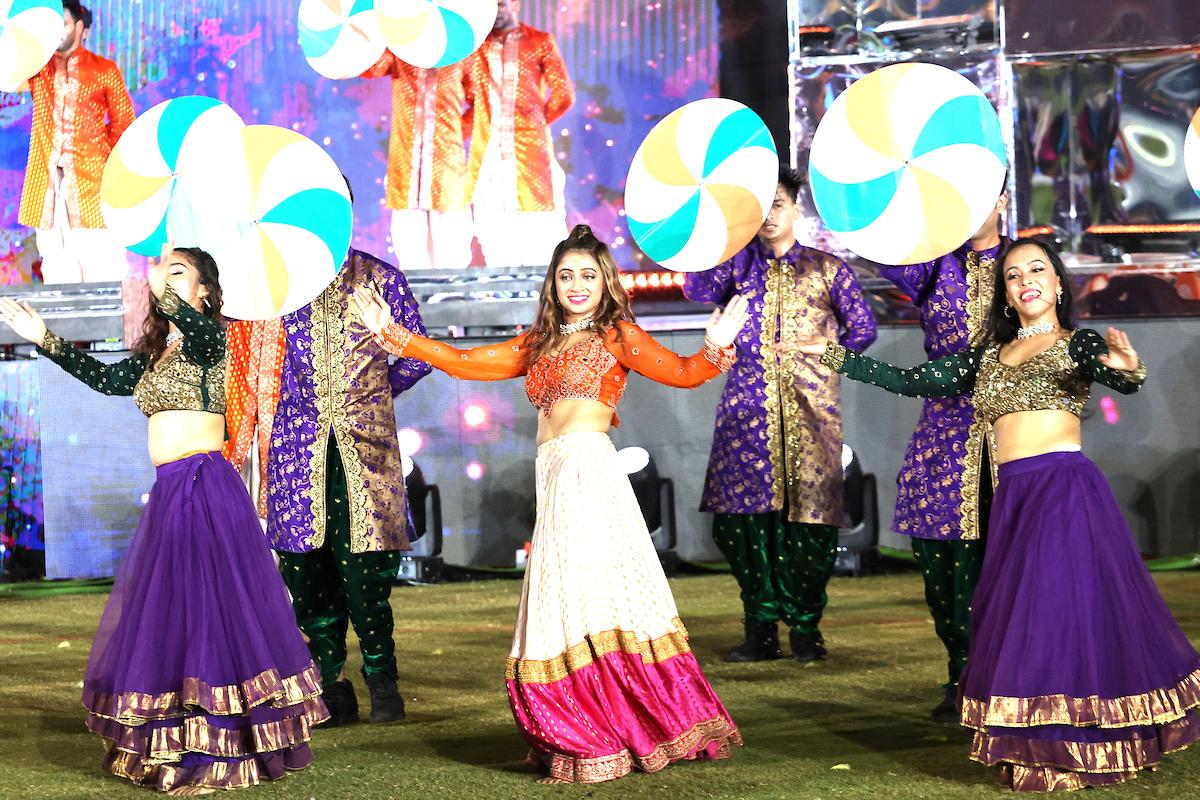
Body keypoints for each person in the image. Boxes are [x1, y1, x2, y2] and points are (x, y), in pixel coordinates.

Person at [794, 237, 1200, 792]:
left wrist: (1128, 370)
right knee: (1021, 617)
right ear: (1006, 294)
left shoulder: (1075, 343)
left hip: (1063, 490)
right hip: (1014, 497)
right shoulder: (988, 358)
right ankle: (1042, 741)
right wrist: (839, 358)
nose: (1025, 279)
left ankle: (1085, 743)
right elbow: (915, 382)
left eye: (1037, 269)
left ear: (1057, 283)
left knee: (1059, 613)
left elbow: (1117, 376)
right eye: (1013, 274)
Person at [351, 224, 745, 784]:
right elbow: (468, 362)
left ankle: (614, 724)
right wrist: (396, 336)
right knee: (568, 595)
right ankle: (598, 721)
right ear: (553, 284)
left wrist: (717, 345)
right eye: (566, 276)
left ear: (605, 282)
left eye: (588, 275)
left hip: (589, 470)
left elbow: (684, 374)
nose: (577, 285)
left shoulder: (617, 334)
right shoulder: (540, 340)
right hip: (556, 473)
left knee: (584, 592)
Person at [0, 245, 327, 792]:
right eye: (161, 269)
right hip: (172, 488)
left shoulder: (208, 339)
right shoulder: (159, 351)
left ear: (203, 291)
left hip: (203, 484)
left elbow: (195, 330)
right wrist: (46, 339)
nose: (162, 278)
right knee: (177, 610)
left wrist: (165, 289)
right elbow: (107, 381)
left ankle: (225, 742)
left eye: (178, 271)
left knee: (211, 608)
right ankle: (178, 735)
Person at [240, 189, 432, 725]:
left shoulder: (378, 277)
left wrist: (370, 394)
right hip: (295, 450)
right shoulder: (274, 284)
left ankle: (383, 682)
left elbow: (418, 355)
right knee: (304, 571)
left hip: (364, 450)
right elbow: (249, 363)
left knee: (366, 572)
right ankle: (331, 687)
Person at [683, 165, 877, 664]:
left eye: (777, 203)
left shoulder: (828, 269)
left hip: (813, 415)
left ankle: (806, 628)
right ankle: (760, 626)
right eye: (758, 206)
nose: (767, 215)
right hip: (746, 414)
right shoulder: (735, 265)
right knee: (742, 524)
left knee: (811, 524)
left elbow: (863, 329)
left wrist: (826, 349)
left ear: (796, 208)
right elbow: (695, 287)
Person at [877, 188, 1008, 721]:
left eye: (977, 189)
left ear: (1000, 197)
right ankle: (961, 675)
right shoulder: (931, 265)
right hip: (944, 433)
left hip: (1010, 432)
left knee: (1007, 557)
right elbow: (885, 251)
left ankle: (1008, 679)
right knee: (943, 563)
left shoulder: (1023, 263)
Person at [19, 1, 135, 283]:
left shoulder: (104, 69)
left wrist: (101, 157)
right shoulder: (38, 69)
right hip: (46, 182)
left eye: (63, 25)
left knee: (101, 260)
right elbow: (9, 71)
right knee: (55, 262)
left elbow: (124, 123)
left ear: (80, 27)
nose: (56, 32)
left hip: (92, 182)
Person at [465, 0, 574, 266]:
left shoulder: (539, 41)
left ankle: (544, 298)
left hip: (530, 155)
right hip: (488, 152)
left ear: (515, 4)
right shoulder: (475, 47)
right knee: (492, 224)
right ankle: (501, 293)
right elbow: (469, 94)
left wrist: (532, 125)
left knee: (539, 227)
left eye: (501, 4)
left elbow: (563, 95)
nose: (495, 11)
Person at [361, 54, 473, 269]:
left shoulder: (461, 54)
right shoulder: (401, 52)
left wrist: (455, 133)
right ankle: (413, 290)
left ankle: (452, 287)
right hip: (407, 155)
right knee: (408, 219)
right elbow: (371, 68)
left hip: (446, 156)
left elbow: (480, 100)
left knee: (451, 218)